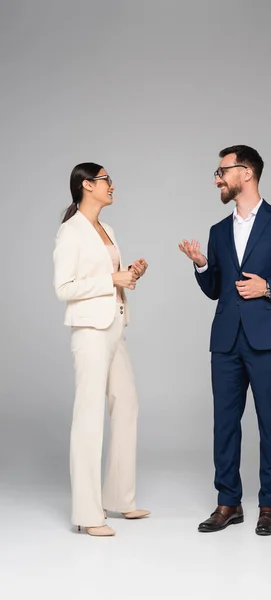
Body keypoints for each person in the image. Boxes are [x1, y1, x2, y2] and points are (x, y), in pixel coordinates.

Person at [179, 145, 271, 536]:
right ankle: (228, 502)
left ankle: (270, 505)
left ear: (246, 172)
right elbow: (214, 290)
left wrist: (269, 286)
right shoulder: (218, 231)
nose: (216, 178)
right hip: (225, 340)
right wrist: (202, 264)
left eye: (221, 171)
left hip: (269, 338)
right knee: (225, 423)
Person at [53, 162, 150, 536]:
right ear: (88, 185)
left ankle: (119, 498)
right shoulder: (70, 232)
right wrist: (112, 277)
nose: (113, 186)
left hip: (115, 324)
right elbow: (64, 288)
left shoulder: (106, 228)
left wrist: (129, 276)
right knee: (89, 417)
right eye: (107, 180)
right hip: (90, 332)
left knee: (126, 404)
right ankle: (88, 513)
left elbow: (111, 279)